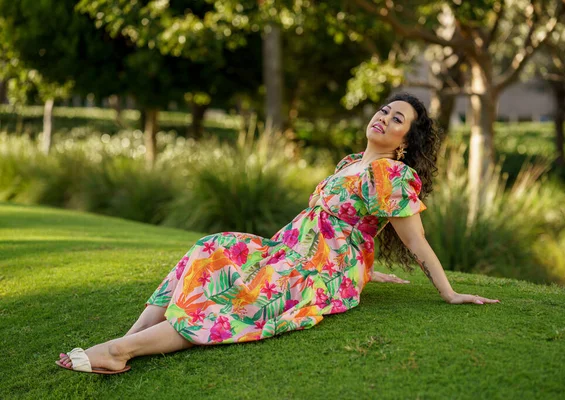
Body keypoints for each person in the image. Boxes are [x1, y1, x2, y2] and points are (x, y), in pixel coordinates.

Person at [56, 92, 500, 374]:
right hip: (291, 250)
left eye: (397, 118)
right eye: (384, 109)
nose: (383, 117)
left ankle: (121, 352)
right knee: (212, 246)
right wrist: (367, 271)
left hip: (319, 270)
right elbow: (342, 227)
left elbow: (414, 239)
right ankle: (126, 338)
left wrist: (448, 292)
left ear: (406, 141)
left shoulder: (392, 175)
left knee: (242, 295)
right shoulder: (350, 164)